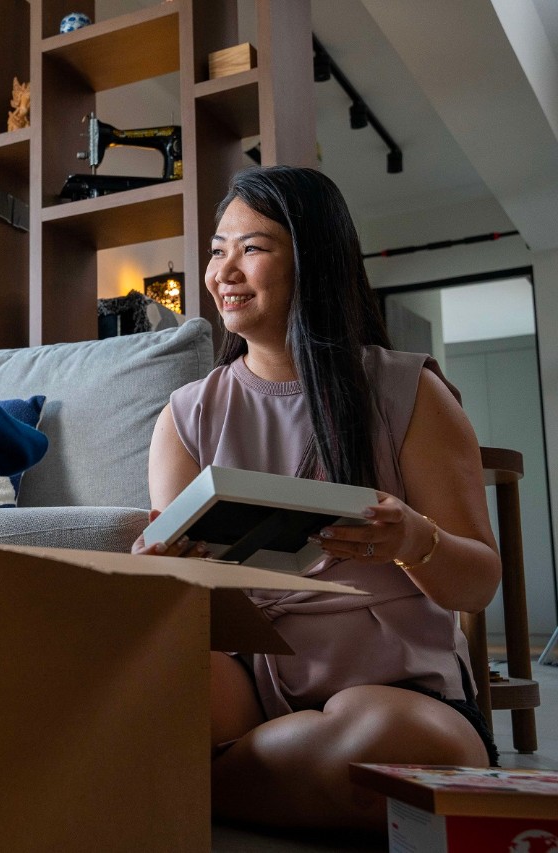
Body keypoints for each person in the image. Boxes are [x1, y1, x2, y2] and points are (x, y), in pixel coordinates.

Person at [133, 165, 502, 831]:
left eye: (253, 248)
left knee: (390, 747)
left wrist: (417, 541)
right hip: (248, 685)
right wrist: (163, 570)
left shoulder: (407, 392)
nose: (224, 271)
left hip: (392, 692)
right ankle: (279, 769)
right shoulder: (186, 415)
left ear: (315, 260)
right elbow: (190, 608)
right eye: (218, 249)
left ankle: (207, 784)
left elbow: (478, 583)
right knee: (129, 689)